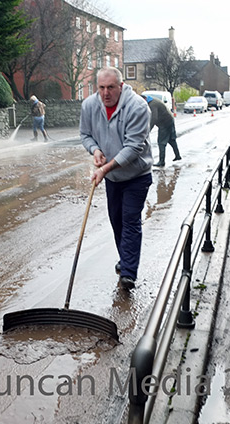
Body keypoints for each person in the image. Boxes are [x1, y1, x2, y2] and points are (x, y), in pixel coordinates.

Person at [80, 67, 153, 290]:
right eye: (101, 88)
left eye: (110, 87)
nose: (105, 93)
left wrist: (105, 169)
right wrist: (94, 150)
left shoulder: (137, 107)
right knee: (116, 219)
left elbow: (133, 148)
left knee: (130, 219)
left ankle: (129, 272)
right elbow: (85, 135)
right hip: (113, 178)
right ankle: (126, 258)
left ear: (120, 87)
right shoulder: (89, 106)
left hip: (137, 174)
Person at [143, 94, 181, 166]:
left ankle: (162, 161)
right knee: (171, 139)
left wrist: (148, 130)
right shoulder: (152, 101)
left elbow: (154, 118)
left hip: (165, 123)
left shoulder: (152, 104)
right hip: (169, 119)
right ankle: (177, 156)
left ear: (145, 99)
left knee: (161, 142)